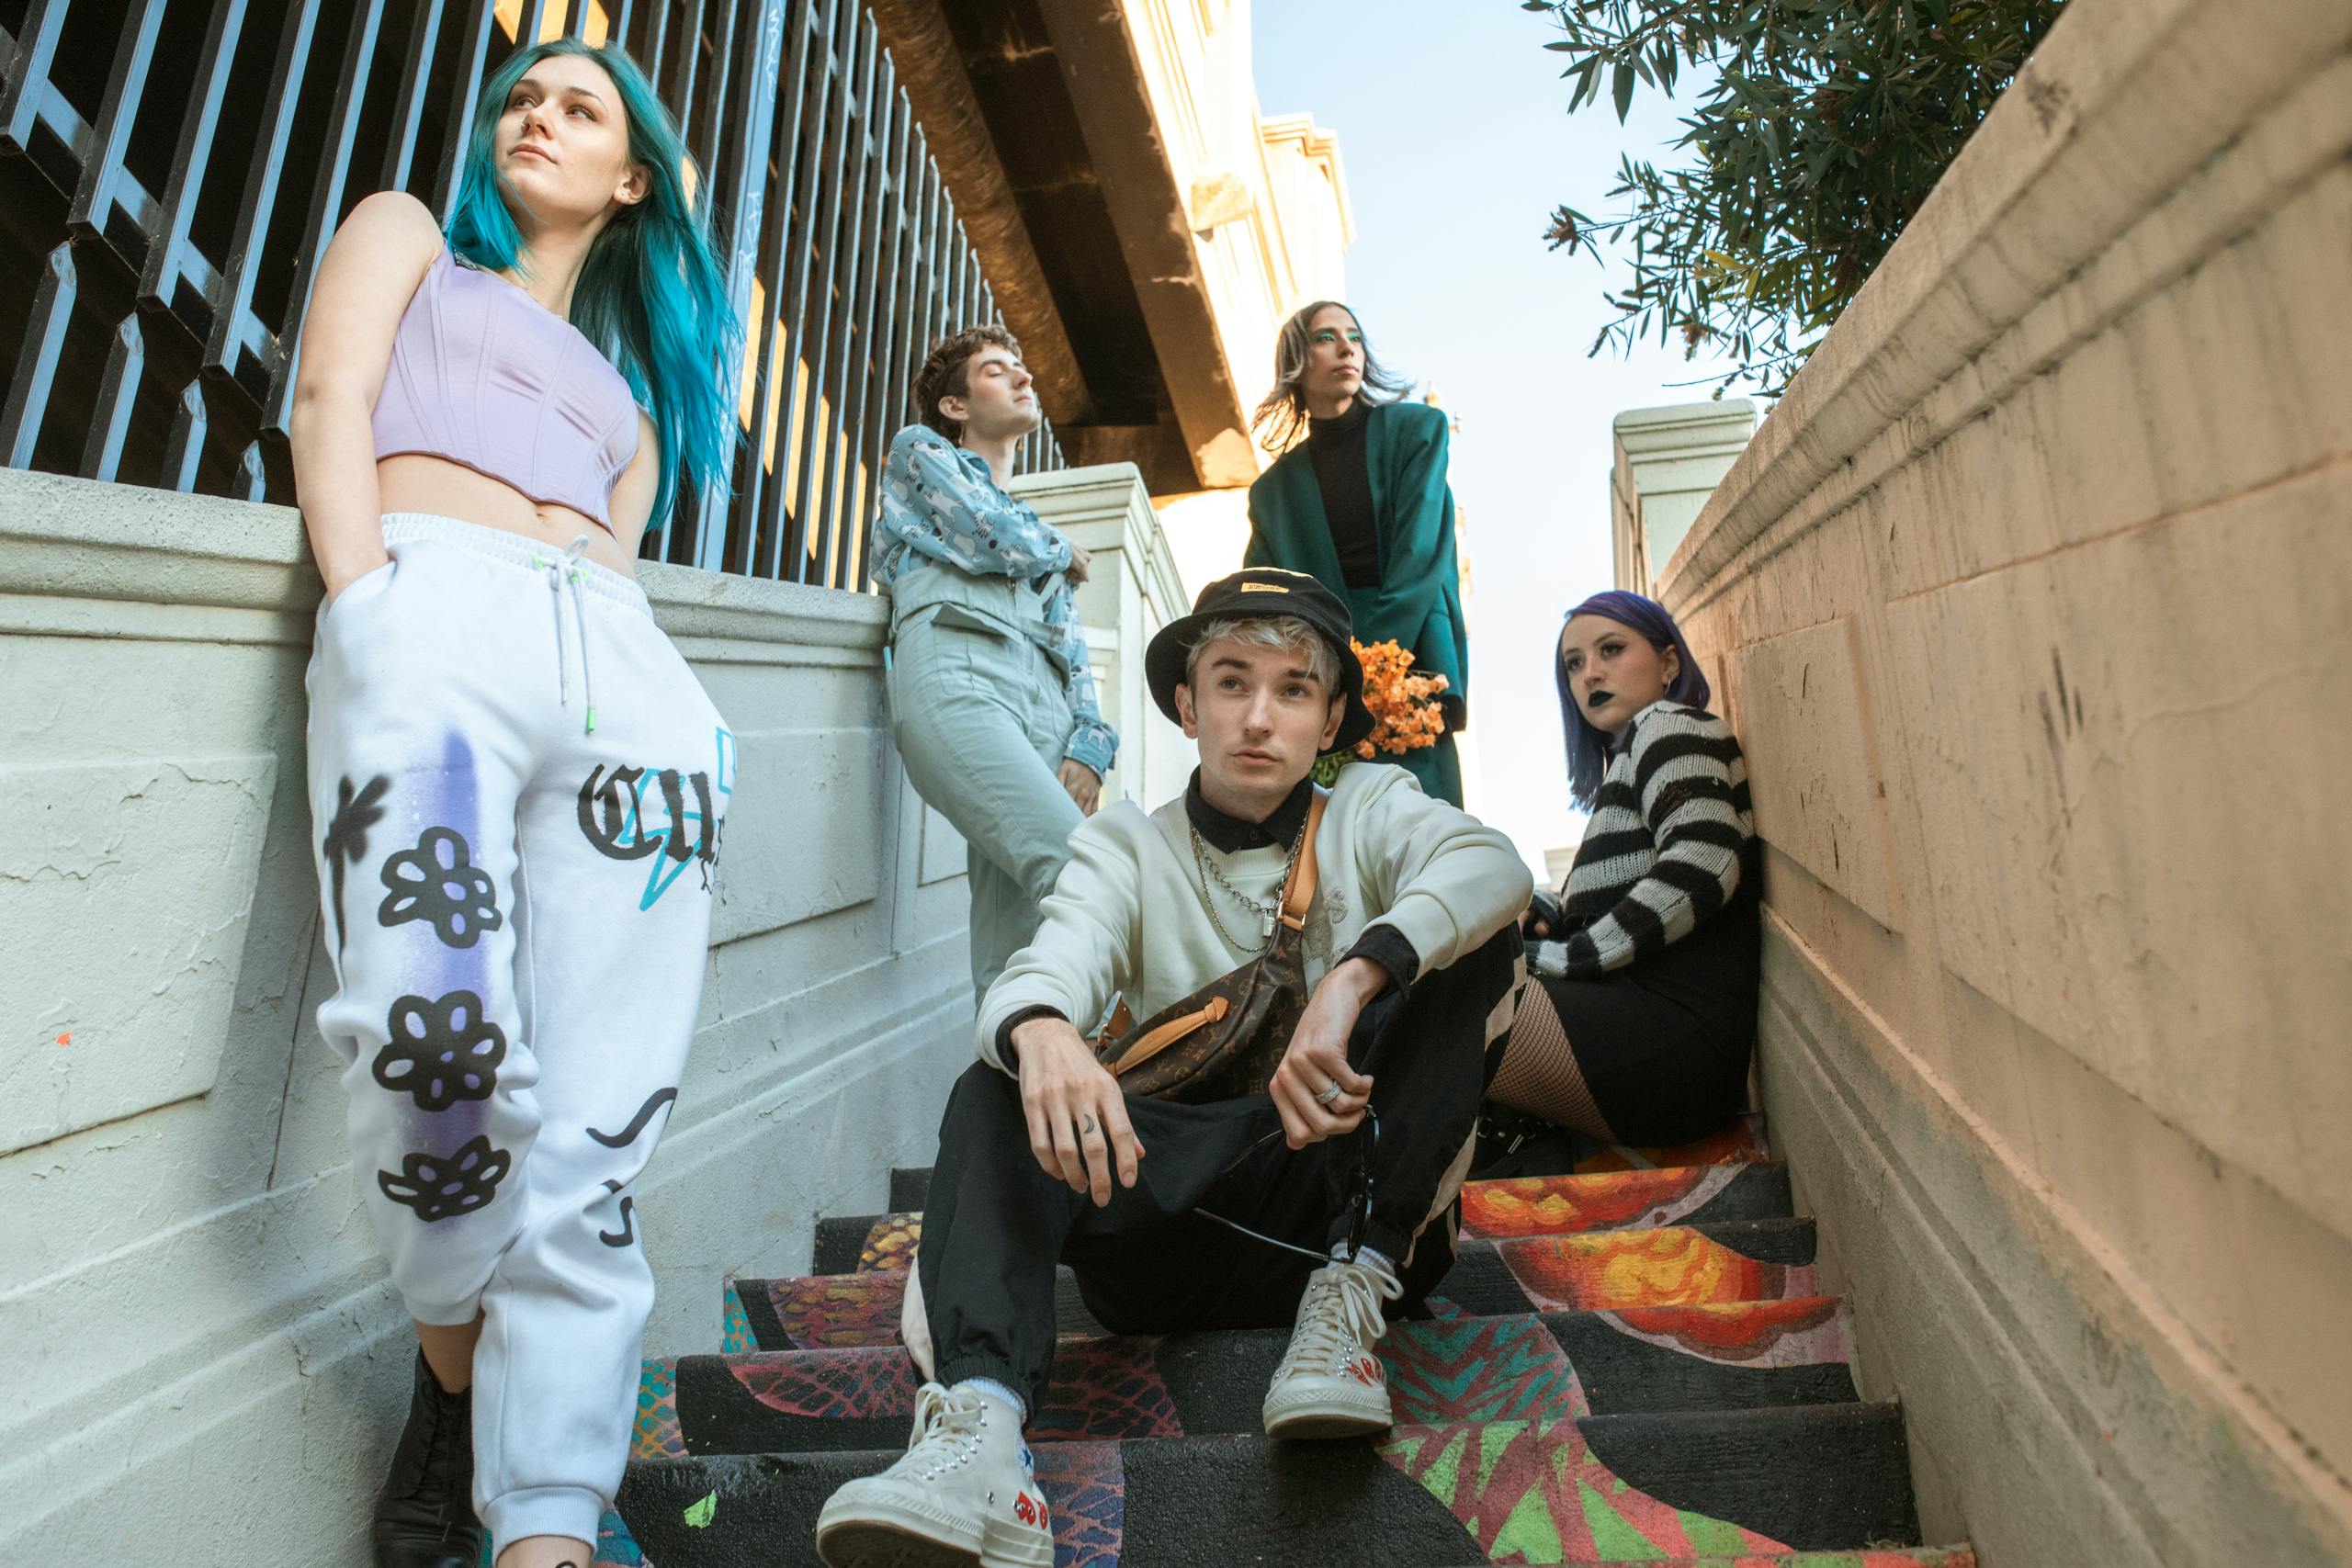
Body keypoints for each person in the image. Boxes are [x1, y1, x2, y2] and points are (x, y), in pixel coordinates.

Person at [813, 569, 1530, 1567]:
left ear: (1329, 722)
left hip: (1334, 1194)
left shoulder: (1371, 803)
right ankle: (981, 1438)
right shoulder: (1125, 845)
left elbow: (1494, 867)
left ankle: (1345, 1299)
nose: (1258, 717)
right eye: (1232, 684)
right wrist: (1045, 1031)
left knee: (1472, 947)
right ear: (1188, 706)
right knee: (998, 1076)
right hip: (1171, 1220)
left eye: (1292, 690)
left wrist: (1357, 975)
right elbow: (1052, 957)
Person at [289, 38, 739, 1568]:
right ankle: (458, 1367)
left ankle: (547, 1518)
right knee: (440, 1047)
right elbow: (331, 394)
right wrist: (369, 609)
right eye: (522, 97)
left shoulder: (636, 397)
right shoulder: (408, 234)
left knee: (600, 1120)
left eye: (580, 106)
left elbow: (612, 573)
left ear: (633, 180)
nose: (535, 114)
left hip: (619, 678)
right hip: (433, 616)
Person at [870, 326, 1116, 998]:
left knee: (1021, 946)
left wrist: (1090, 744)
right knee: (1086, 870)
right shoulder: (920, 454)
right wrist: (1058, 546)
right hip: (959, 678)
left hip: (1044, 709)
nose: (1024, 379)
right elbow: (984, 532)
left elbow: (1071, 647)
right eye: (997, 369)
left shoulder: (1037, 534)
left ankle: (1018, 1091)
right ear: (955, 405)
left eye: (1023, 369)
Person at [1487, 591, 1758, 1153]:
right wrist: (1545, 911)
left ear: (1669, 663)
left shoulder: (1667, 724)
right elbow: (1621, 892)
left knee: (1436, 990)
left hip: (1673, 1039)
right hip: (1644, 1043)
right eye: (1575, 664)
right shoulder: (1629, 765)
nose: (1591, 674)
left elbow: (1705, 859)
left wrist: (1567, 957)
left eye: (1611, 649)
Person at [1243, 301, 1469, 806]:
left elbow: (1421, 552)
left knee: (1426, 830)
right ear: (1296, 362)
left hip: (1410, 660)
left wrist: (1367, 669)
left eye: (1355, 336)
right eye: (1326, 337)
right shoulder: (1272, 493)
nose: (1347, 347)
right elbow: (1260, 595)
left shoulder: (1418, 431)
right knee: (1335, 843)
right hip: (1322, 675)